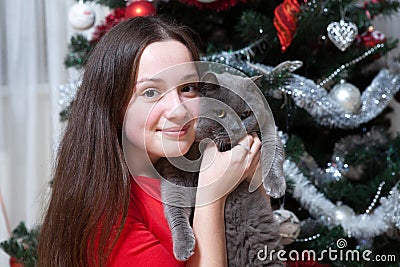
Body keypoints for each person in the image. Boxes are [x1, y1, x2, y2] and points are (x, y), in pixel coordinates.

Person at [38, 16, 263, 266]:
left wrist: (251, 177)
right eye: (151, 92)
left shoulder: (193, 167)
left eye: (188, 88)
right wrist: (211, 196)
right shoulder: (107, 219)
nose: (179, 110)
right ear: (114, 105)